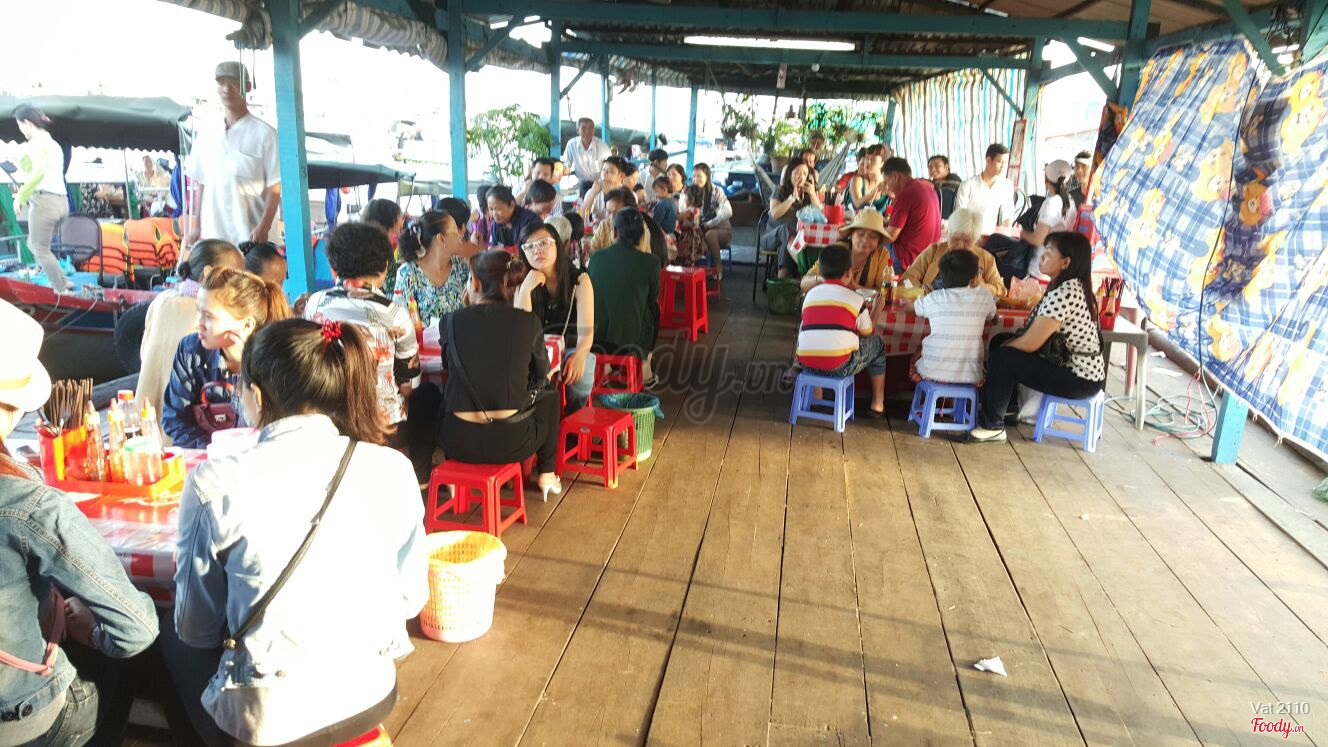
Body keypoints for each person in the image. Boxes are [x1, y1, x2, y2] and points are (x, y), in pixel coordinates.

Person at [160, 318, 427, 746]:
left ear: (256, 395)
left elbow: (197, 629)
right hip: (370, 695)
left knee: (168, 637)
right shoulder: (393, 468)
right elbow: (411, 598)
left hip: (271, 723)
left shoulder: (213, 483)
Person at [0, 300, 159, 747]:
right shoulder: (29, 505)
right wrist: (87, 627)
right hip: (21, 717)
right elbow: (136, 629)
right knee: (119, 664)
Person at [438, 251, 564, 499]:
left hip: (458, 441)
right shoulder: (528, 322)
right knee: (550, 396)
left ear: (475, 283)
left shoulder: (450, 321)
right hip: (513, 442)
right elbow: (542, 375)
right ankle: (547, 474)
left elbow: (447, 367)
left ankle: (442, 474)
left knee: (430, 395)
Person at [969, 232, 1106, 443]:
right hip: (1077, 371)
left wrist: (1007, 347)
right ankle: (1008, 408)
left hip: (1078, 378)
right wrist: (1007, 343)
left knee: (1003, 357)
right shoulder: (1072, 286)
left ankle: (992, 426)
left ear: (1066, 262)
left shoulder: (1066, 293)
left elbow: (1030, 344)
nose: (1041, 257)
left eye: (1048, 253)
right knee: (1000, 341)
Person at [303, 223, 421, 440]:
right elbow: (409, 384)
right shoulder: (394, 313)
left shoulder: (314, 304)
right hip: (383, 428)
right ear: (385, 266)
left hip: (328, 425)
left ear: (332, 265)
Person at [163, 266, 292, 449]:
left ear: (246, 324)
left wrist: (248, 370)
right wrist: (214, 451)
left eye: (208, 316)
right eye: (198, 311)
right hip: (207, 457)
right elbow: (174, 418)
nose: (198, 323)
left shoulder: (275, 361)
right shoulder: (190, 351)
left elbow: (276, 428)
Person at [137, 240, 246, 425]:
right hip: (184, 427)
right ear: (208, 273)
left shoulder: (161, 300)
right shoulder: (212, 317)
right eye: (234, 276)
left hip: (145, 419)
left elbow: (143, 353)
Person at [186, 61, 281, 248]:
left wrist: (264, 226)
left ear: (247, 87)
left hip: (252, 240)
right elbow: (201, 182)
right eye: (221, 83)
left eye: (234, 83)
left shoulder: (265, 134)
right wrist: (197, 227)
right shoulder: (207, 134)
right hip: (215, 240)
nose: (226, 89)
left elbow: (275, 186)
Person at [794, 243, 887, 417]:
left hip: (805, 364)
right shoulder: (855, 299)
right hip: (839, 367)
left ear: (821, 273)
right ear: (848, 273)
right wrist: (877, 308)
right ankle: (878, 403)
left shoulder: (810, 295)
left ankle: (816, 394)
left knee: (818, 336)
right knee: (878, 345)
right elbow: (868, 332)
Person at [515, 223, 596, 408]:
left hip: (571, 348)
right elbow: (521, 330)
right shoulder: (524, 283)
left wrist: (580, 355)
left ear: (557, 245)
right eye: (529, 247)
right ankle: (536, 417)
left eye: (543, 243)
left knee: (582, 375)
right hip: (536, 352)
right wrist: (525, 290)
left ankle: (574, 417)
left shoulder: (579, 280)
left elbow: (586, 332)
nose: (537, 250)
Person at [906, 249, 998, 385]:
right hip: (972, 378)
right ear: (974, 280)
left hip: (932, 373)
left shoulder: (934, 298)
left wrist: (927, 299)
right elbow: (995, 319)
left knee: (917, 355)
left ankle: (935, 396)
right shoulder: (984, 295)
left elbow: (908, 309)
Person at [587, 208, 660, 375]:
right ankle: (645, 366)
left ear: (614, 232)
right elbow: (652, 299)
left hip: (595, 339)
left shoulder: (596, 257)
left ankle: (605, 365)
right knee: (654, 310)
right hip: (631, 343)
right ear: (642, 235)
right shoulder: (652, 262)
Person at [11, 105, 72, 292]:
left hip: (45, 203)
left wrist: (20, 196)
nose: (21, 131)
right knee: (34, 244)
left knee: (39, 248)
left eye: (20, 126)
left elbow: (38, 172)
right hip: (62, 203)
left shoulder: (36, 143)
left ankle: (60, 288)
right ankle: (63, 280)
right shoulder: (53, 144)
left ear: (27, 123)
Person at [394, 209, 477, 324]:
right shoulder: (408, 274)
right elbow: (402, 321)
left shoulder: (463, 267)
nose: (460, 236)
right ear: (441, 239)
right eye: (455, 232)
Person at [900, 207, 1005, 297]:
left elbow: (1000, 289)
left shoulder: (986, 259)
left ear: (975, 240)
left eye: (967, 241)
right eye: (955, 239)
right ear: (948, 234)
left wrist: (982, 287)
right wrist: (919, 290)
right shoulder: (933, 252)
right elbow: (907, 278)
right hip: (932, 308)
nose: (960, 245)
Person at [801, 209, 894, 292]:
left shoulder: (882, 254)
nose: (865, 240)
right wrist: (823, 280)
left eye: (873, 237)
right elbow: (804, 283)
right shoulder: (837, 250)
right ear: (851, 235)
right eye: (860, 234)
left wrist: (854, 286)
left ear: (879, 241)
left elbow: (884, 292)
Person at [879, 157, 943, 270]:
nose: (887, 187)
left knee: (865, 244)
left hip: (907, 259)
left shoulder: (905, 194)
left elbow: (890, 237)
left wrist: (869, 232)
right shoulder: (928, 189)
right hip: (929, 257)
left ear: (895, 176)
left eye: (886, 182)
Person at [1023, 160, 1079, 281]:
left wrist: (1022, 234)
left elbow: (1038, 239)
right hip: (1058, 270)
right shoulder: (1071, 201)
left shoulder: (1051, 203)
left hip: (1040, 270)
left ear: (1046, 180)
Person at [766, 161, 822, 278]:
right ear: (789, 174)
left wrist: (812, 194)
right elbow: (775, 213)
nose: (801, 176)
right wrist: (791, 199)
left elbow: (820, 215)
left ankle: (782, 285)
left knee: (785, 249)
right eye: (797, 173)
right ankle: (809, 271)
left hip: (794, 241)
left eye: (804, 173)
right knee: (785, 229)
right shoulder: (780, 190)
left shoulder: (808, 195)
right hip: (772, 237)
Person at [679, 163, 733, 277]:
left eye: (699, 176)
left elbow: (728, 211)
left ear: (707, 176)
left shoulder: (716, 191)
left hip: (721, 230)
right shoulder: (688, 191)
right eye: (694, 176)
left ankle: (718, 267)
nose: (696, 179)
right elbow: (682, 210)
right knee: (690, 236)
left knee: (710, 235)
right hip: (700, 230)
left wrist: (710, 223)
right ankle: (689, 268)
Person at [953, 143, 1015, 233]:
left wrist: (1005, 235)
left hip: (991, 236)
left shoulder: (1006, 186)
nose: (1003, 166)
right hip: (968, 234)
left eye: (1005, 162)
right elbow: (960, 215)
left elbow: (1008, 216)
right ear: (988, 160)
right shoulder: (968, 185)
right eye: (1000, 162)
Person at [563, 117, 611, 196]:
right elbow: (566, 163)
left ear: (594, 130)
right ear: (577, 130)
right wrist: (565, 168)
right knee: (569, 197)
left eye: (591, 128)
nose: (588, 131)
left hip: (599, 184)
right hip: (581, 184)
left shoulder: (602, 146)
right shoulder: (571, 144)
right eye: (584, 128)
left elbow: (609, 164)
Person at [486, 184, 542, 250]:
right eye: (491, 209)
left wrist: (505, 250)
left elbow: (533, 248)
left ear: (512, 205)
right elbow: (493, 247)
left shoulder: (530, 220)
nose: (494, 214)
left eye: (498, 209)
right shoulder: (495, 225)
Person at [582, 155, 628, 224]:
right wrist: (592, 193)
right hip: (598, 228)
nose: (604, 174)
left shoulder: (627, 194)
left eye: (610, 171)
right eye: (603, 170)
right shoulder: (593, 191)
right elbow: (583, 217)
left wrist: (609, 193)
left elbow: (624, 219)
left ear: (621, 176)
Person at [846, 144, 889, 212]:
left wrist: (892, 195)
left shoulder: (887, 184)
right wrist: (875, 192)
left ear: (882, 163)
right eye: (867, 158)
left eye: (873, 159)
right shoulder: (857, 180)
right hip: (852, 218)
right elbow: (857, 204)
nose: (868, 162)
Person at [927, 155, 964, 219]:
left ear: (946, 167)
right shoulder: (931, 182)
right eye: (930, 167)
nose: (933, 169)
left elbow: (944, 198)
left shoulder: (953, 178)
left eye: (937, 166)